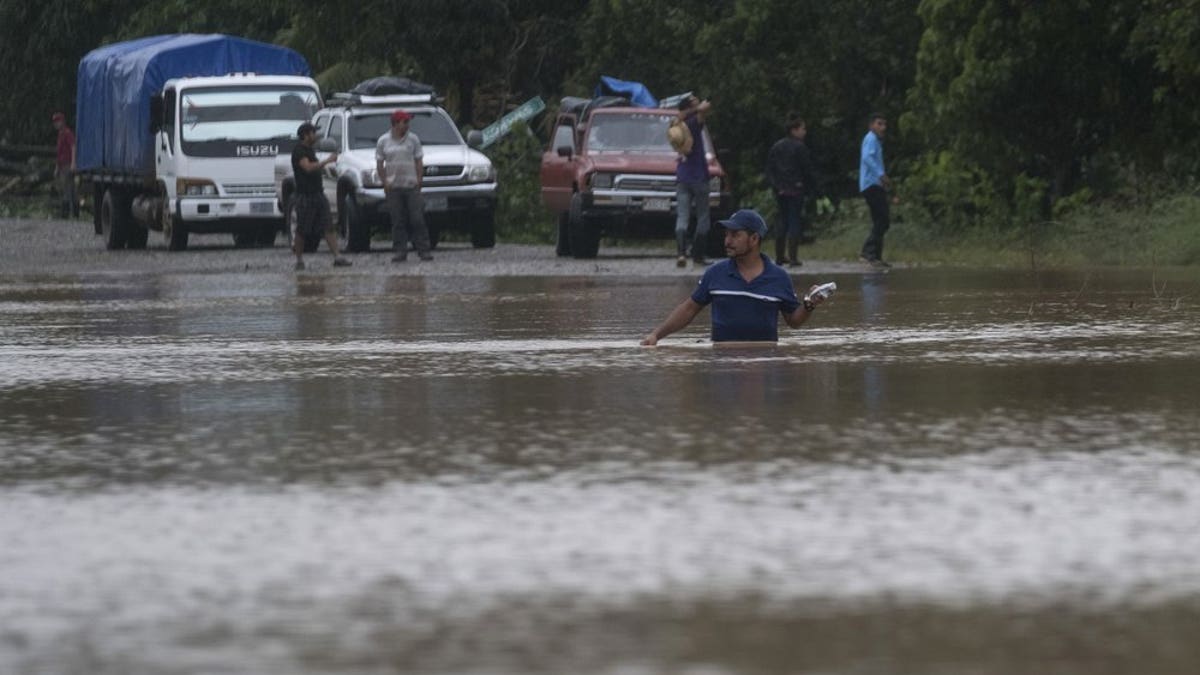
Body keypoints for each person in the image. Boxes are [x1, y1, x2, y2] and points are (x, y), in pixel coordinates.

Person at [641, 209, 829, 345]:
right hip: (722, 361)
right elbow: (689, 309)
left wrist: (809, 303)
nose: (727, 241)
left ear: (754, 239)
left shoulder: (779, 277)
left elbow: (794, 321)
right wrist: (656, 335)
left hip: (764, 362)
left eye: (735, 235)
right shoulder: (715, 273)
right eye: (726, 235)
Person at [291, 122, 352, 270]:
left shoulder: (310, 150)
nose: (316, 135)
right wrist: (327, 161)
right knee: (302, 229)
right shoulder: (299, 151)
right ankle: (299, 260)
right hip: (306, 196)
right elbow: (308, 168)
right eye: (313, 132)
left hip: (318, 194)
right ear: (306, 135)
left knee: (328, 226)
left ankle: (337, 257)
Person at [376, 109, 433, 262]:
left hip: (411, 185)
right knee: (397, 220)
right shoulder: (383, 141)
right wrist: (384, 181)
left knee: (417, 218)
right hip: (393, 186)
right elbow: (380, 163)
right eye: (405, 122)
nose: (407, 125)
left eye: (408, 122)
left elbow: (418, 160)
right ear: (396, 124)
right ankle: (400, 251)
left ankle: (423, 249)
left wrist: (419, 179)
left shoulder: (413, 139)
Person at [766, 116, 818, 266]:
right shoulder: (800, 147)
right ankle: (793, 257)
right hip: (795, 189)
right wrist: (810, 186)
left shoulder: (776, 146)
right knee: (794, 220)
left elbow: (770, 169)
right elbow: (807, 169)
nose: (804, 132)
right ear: (794, 130)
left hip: (780, 189)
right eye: (803, 129)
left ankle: (780, 256)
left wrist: (776, 186)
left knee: (782, 220)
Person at [673, 95, 713, 268]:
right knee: (703, 216)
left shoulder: (676, 125)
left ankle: (681, 253)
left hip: (682, 175)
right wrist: (700, 107)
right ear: (690, 106)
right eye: (696, 101)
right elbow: (704, 110)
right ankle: (698, 255)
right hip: (698, 175)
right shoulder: (695, 122)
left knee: (682, 216)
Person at [859, 113, 892, 268]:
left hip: (875, 184)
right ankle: (868, 252)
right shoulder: (871, 138)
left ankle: (876, 256)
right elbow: (868, 158)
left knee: (880, 220)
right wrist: (881, 174)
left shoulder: (875, 141)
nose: (882, 127)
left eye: (884, 124)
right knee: (883, 219)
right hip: (871, 184)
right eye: (879, 124)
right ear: (872, 125)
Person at [52, 112, 77, 219]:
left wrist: (73, 163)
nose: (56, 124)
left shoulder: (67, 133)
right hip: (62, 164)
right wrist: (57, 167)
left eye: (58, 121)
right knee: (65, 187)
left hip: (67, 164)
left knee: (68, 188)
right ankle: (71, 212)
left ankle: (67, 214)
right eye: (55, 122)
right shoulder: (60, 134)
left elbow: (73, 147)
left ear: (62, 121)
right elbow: (59, 152)